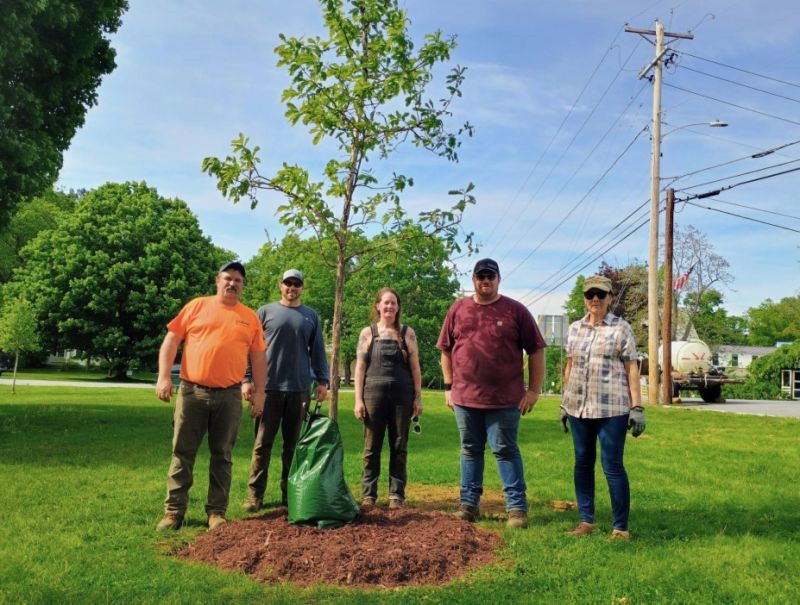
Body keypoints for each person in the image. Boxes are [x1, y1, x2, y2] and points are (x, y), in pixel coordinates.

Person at [155, 261, 266, 531]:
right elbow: (171, 340)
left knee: (223, 455)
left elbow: (259, 356)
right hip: (192, 392)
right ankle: (174, 512)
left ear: (242, 286)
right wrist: (164, 376)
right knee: (183, 453)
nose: (232, 283)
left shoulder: (249, 317)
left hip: (229, 395)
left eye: (238, 280)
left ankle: (216, 513)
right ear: (217, 281)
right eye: (227, 278)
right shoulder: (196, 306)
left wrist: (261, 392)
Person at [436, 258, 546, 529]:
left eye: (490, 276)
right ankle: (468, 505)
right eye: (480, 276)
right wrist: (449, 387)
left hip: (505, 400)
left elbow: (537, 350)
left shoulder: (515, 311)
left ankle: (517, 509)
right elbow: (445, 350)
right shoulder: (458, 309)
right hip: (465, 398)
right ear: (473, 280)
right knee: (470, 450)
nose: (485, 281)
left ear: (499, 279)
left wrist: (533, 391)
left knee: (505, 450)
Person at [560, 274, 645, 541]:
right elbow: (570, 366)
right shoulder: (575, 328)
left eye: (600, 294)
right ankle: (586, 521)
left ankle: (620, 528)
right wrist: (565, 403)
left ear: (610, 297)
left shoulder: (621, 328)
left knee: (612, 466)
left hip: (612, 409)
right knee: (582, 463)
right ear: (585, 298)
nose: (595, 299)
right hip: (579, 408)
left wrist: (637, 407)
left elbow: (632, 368)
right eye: (590, 294)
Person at [242, 269, 330, 512]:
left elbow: (318, 351)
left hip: (299, 390)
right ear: (280, 286)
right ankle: (254, 496)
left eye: (297, 284)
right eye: (288, 283)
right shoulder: (265, 312)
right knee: (262, 445)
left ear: (302, 288)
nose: (292, 287)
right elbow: (250, 349)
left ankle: (289, 494)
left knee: (293, 447)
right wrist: (247, 379)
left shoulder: (311, 316)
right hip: (267, 389)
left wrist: (323, 381)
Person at [353, 288, 423, 509]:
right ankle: (369, 495)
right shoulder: (368, 333)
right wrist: (358, 400)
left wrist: (418, 397)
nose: (390, 307)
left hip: (402, 395)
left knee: (399, 445)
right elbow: (360, 369)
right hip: (373, 394)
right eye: (386, 303)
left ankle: (396, 495)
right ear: (378, 306)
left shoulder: (407, 333)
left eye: (393, 303)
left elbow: (415, 367)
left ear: (398, 307)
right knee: (371, 447)